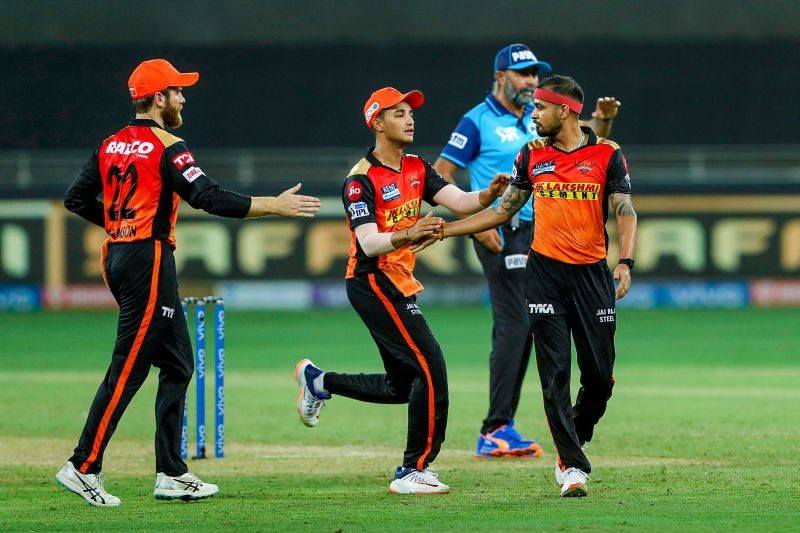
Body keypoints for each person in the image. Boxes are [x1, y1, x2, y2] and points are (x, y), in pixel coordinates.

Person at [57, 58, 321, 507]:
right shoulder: (168, 144)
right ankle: (83, 466)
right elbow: (208, 196)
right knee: (128, 368)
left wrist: (120, 225)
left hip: (123, 256)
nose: (183, 98)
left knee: (178, 363)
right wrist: (272, 206)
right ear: (158, 98)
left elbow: (75, 198)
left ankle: (171, 474)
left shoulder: (110, 144)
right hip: (149, 260)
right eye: (177, 91)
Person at [415, 75, 637, 497]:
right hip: (544, 275)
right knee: (554, 374)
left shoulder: (607, 154)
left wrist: (625, 261)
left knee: (600, 378)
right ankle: (571, 465)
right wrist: (446, 231)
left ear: (564, 111)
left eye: (540, 108)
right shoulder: (532, 155)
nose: (533, 115)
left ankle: (575, 437)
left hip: (591, 276)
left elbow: (624, 211)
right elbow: (503, 211)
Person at [293, 87, 508, 495]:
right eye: (399, 114)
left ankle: (321, 382)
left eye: (411, 113)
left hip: (395, 280)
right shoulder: (360, 180)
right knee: (431, 369)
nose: (410, 120)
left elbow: (460, 202)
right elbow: (370, 243)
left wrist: (489, 195)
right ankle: (414, 469)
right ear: (376, 122)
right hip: (372, 281)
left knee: (404, 384)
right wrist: (412, 231)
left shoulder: (416, 166)